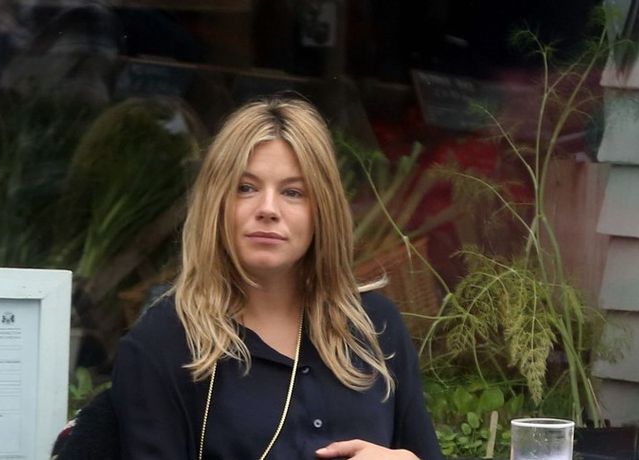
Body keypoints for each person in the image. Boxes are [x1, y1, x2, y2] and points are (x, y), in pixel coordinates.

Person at [110, 97, 442, 460]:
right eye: (246, 188)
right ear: (215, 203)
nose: (268, 209)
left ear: (322, 211)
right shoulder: (162, 345)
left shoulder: (376, 328)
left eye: (293, 192)